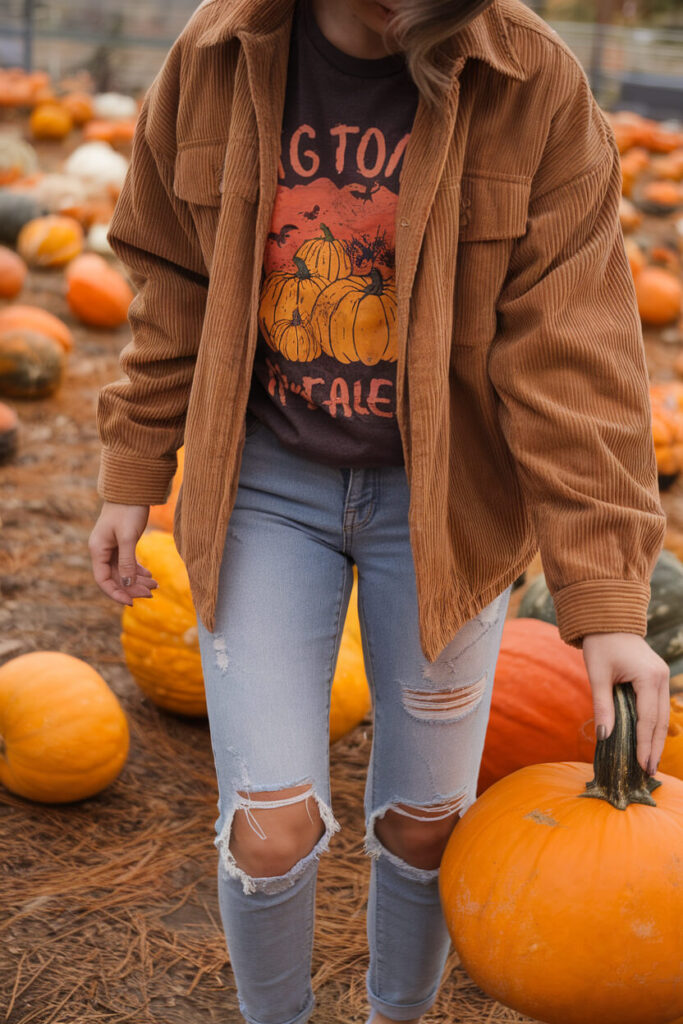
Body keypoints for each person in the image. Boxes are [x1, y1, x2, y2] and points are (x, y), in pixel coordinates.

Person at [89, 0, 671, 1021]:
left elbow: (570, 357)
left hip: (443, 503)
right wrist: (132, 464)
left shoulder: (530, 81)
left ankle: (393, 1014)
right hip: (266, 484)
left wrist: (608, 603)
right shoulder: (214, 57)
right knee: (267, 824)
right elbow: (170, 280)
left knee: (426, 820)